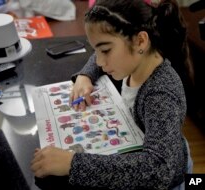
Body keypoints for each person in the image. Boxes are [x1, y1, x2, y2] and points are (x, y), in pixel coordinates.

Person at [31, 0, 194, 189]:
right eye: (97, 50)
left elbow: (158, 169)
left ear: (140, 41)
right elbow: (98, 56)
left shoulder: (161, 93)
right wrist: (85, 75)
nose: (99, 61)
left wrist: (72, 163)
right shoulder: (135, 60)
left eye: (106, 51)